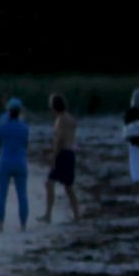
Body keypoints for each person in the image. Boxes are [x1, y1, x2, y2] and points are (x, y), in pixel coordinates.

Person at [0, 97, 31, 232]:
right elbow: (26, 144)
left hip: (5, 162)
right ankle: (23, 225)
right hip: (20, 162)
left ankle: (1, 224)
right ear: (20, 111)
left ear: (8, 111)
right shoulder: (25, 128)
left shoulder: (2, 127)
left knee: (2, 194)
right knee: (22, 195)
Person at [43, 93, 80, 223]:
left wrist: (53, 157)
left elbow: (59, 140)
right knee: (68, 186)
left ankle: (48, 215)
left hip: (62, 154)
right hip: (70, 153)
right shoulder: (71, 119)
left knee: (49, 183)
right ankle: (77, 215)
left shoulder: (60, 120)